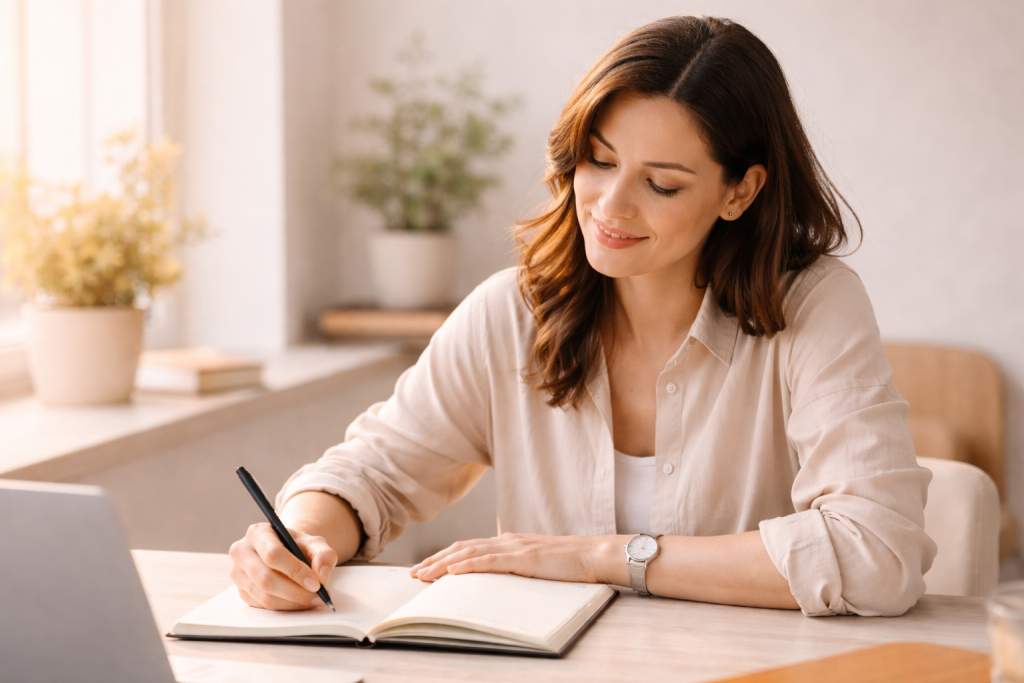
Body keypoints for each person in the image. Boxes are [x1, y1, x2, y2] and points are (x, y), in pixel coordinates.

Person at [229, 15, 935, 618]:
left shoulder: (812, 306)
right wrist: (295, 538)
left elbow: (877, 550)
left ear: (741, 190)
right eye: (597, 162)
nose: (610, 205)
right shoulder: (513, 312)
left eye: (661, 183)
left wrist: (599, 557)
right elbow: (373, 475)